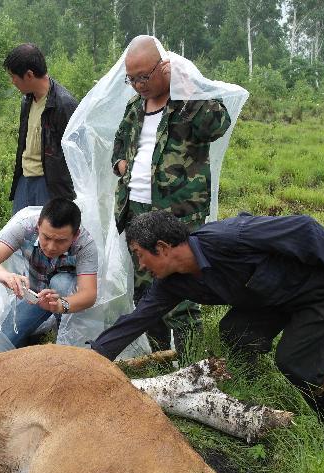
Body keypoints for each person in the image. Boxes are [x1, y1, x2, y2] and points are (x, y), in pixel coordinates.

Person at [92, 211, 324, 428]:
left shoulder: (230, 237)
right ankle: (257, 388)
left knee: (297, 365)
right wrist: (89, 361)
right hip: (271, 300)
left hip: (320, 292)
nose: (141, 265)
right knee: (236, 332)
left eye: (140, 255)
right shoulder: (171, 282)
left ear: (163, 247)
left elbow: (304, 229)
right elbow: (136, 320)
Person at [112, 35, 232, 352]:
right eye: (132, 78)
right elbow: (119, 144)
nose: (138, 84)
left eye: (144, 76)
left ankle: (191, 364)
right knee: (145, 294)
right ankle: (162, 357)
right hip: (136, 212)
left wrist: (189, 90)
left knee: (182, 292)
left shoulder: (188, 106)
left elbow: (218, 125)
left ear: (164, 68)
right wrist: (121, 165)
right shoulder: (134, 108)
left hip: (176, 216)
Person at [0, 199, 98, 348]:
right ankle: (37, 329)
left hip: (68, 302)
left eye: (61, 241)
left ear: (75, 236)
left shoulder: (85, 244)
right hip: (36, 296)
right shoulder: (26, 227)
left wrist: (60, 305)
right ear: (38, 226)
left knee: (61, 283)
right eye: (46, 237)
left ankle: (62, 332)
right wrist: (3, 274)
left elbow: (89, 294)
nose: (51, 247)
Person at [4, 44, 79, 214]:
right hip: (24, 180)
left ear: (29, 75)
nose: (12, 81)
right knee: (21, 237)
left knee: (45, 238)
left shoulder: (64, 104)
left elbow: (77, 155)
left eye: (13, 76)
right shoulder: (27, 100)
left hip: (49, 186)